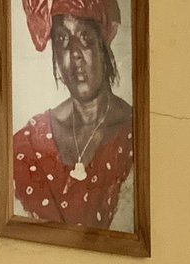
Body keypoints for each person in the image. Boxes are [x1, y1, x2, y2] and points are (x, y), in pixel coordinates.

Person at [12, 0, 134, 230]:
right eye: (62, 39)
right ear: (55, 55)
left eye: (85, 37)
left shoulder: (135, 136)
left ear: (102, 45)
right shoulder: (28, 144)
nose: (74, 52)